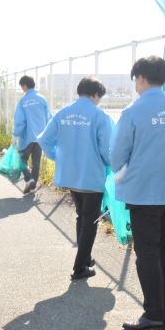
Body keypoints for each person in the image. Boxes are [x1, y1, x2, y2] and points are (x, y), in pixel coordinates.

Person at [111, 56, 165, 330]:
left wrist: (123, 177)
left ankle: (153, 315)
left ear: (140, 78)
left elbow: (117, 156)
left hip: (145, 193)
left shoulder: (133, 112)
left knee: (147, 252)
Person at [38, 77, 112, 280]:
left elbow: (44, 139)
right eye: (99, 97)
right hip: (91, 175)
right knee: (90, 220)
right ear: (96, 95)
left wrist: (57, 156)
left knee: (82, 216)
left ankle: (85, 257)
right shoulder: (99, 115)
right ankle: (80, 267)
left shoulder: (63, 113)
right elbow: (107, 150)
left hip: (69, 175)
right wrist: (111, 164)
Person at [13, 75, 52, 194]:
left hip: (27, 137)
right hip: (40, 137)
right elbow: (49, 118)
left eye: (21, 86)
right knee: (36, 162)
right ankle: (32, 186)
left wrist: (15, 135)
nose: (22, 89)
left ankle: (29, 180)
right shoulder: (42, 99)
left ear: (24, 85)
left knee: (21, 160)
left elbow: (20, 121)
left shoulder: (23, 101)